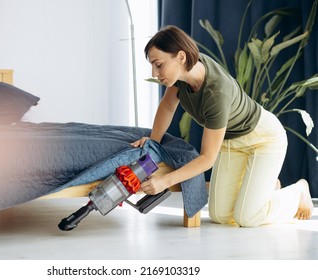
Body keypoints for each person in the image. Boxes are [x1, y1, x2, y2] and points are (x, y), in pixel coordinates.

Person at [131, 25, 314, 227]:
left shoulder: (216, 92)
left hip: (264, 138)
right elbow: (167, 105)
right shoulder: (184, 73)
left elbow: (207, 158)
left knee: (248, 218)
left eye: (158, 64)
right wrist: (154, 141)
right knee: (220, 215)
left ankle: (297, 193)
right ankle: (269, 187)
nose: (154, 73)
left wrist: (165, 181)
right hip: (231, 141)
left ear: (181, 57)